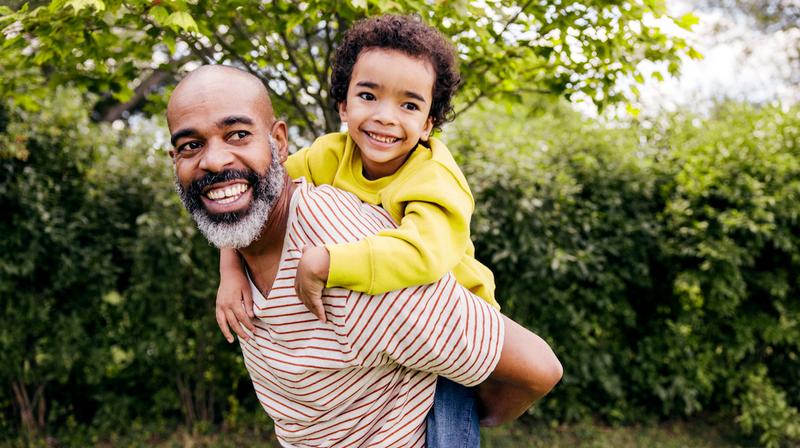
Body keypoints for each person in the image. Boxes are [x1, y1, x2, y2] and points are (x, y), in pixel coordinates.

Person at [167, 65, 562, 447]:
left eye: (237, 134)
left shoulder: (401, 209)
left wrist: (478, 415)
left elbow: (538, 368)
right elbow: (255, 185)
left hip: (437, 301)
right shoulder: (325, 160)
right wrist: (229, 263)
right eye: (191, 145)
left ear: (279, 141)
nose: (214, 161)